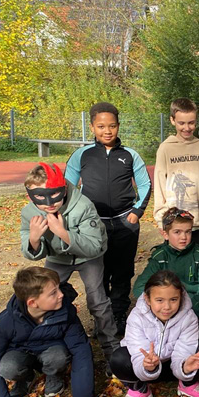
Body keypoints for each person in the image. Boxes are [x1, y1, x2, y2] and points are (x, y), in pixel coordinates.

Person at [20, 163, 119, 369]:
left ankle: (112, 351)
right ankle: (45, 347)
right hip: (58, 258)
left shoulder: (83, 205)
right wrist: (34, 239)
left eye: (54, 195)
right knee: (42, 297)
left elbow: (93, 247)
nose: (48, 203)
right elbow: (30, 252)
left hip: (89, 257)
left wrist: (62, 232)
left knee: (98, 301)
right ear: (31, 194)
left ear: (63, 189)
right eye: (40, 197)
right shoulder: (30, 212)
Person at [64, 102, 151, 335]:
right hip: (92, 226)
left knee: (123, 272)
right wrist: (75, 219)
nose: (107, 131)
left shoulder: (130, 155)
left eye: (112, 126)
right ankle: (101, 320)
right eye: (101, 126)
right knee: (97, 274)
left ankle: (119, 314)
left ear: (118, 126)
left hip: (125, 223)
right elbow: (68, 188)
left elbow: (144, 184)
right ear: (92, 127)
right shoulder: (82, 155)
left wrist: (136, 212)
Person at [0, 267, 98, 397]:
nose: (61, 295)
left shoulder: (65, 313)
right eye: (53, 293)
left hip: (52, 351)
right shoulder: (9, 320)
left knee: (58, 357)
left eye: (58, 289)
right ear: (33, 303)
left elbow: (80, 348)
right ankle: (25, 378)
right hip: (22, 353)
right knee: (8, 367)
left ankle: (54, 375)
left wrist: (83, 393)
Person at [111, 271, 199, 397]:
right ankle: (139, 390)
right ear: (147, 299)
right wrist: (146, 365)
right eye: (159, 300)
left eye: (173, 299)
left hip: (175, 366)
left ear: (181, 297)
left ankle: (187, 384)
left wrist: (185, 368)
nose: (167, 307)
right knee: (118, 357)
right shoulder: (136, 317)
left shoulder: (189, 317)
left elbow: (184, 349)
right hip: (146, 368)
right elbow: (137, 353)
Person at [132, 208, 199, 320]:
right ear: (165, 234)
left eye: (188, 232)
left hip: (191, 309)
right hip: (165, 308)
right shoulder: (160, 256)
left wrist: (192, 310)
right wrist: (157, 307)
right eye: (177, 232)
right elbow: (140, 287)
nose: (183, 237)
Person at [153, 97, 199, 248]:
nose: (187, 127)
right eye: (181, 123)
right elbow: (159, 184)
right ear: (172, 120)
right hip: (175, 223)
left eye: (191, 122)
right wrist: (161, 218)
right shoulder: (165, 148)